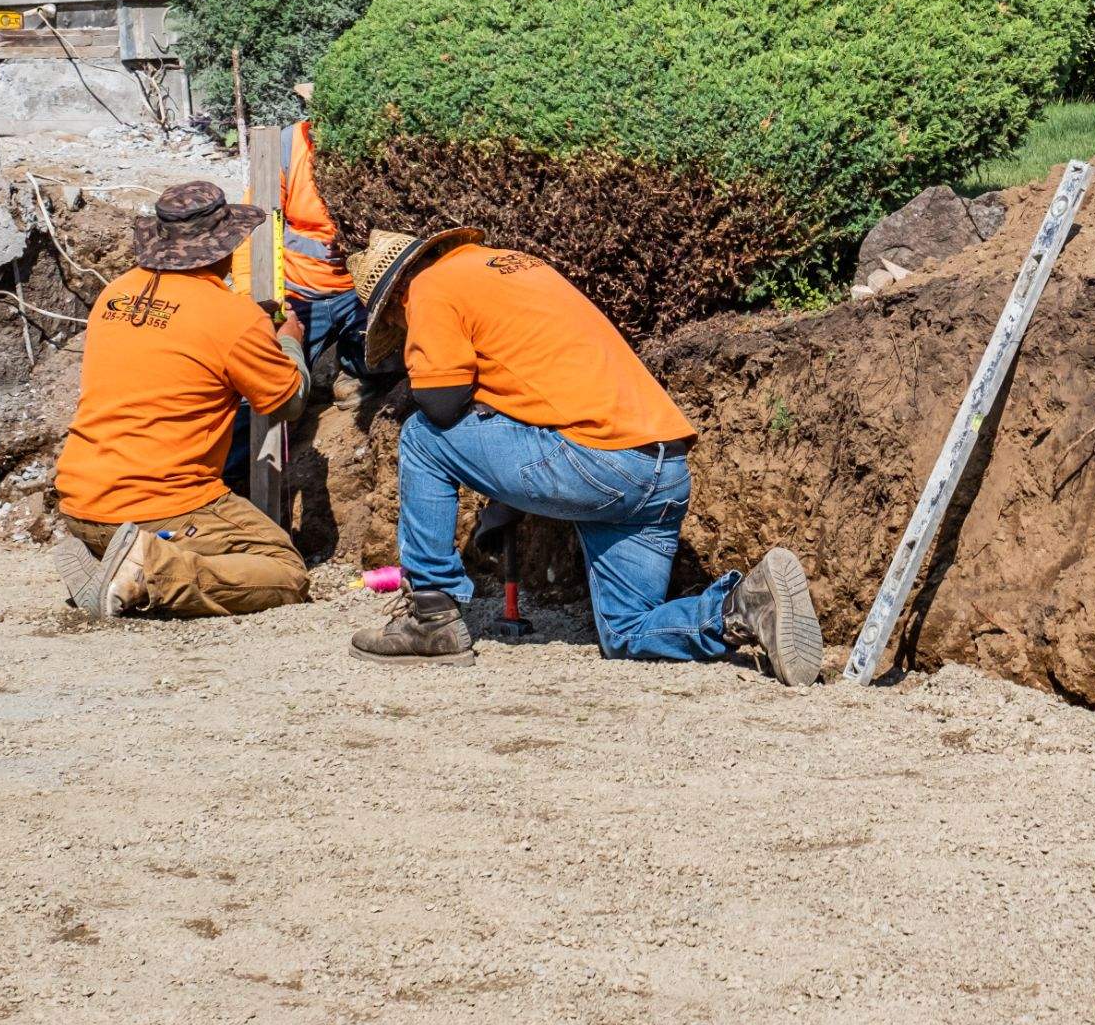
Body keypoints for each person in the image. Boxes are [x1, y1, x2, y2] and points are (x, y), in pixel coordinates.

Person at [344, 227, 822, 683]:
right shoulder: (509, 267)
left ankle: (430, 615)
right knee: (627, 631)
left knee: (422, 437)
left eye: (395, 323)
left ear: (396, 298)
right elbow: (541, 382)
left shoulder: (428, 286)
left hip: (599, 462)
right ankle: (742, 606)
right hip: (661, 469)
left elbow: (442, 405)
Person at [49, 180, 313, 620]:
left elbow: (177, 342)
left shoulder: (114, 294)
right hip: (158, 507)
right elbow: (287, 402)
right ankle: (149, 569)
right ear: (227, 247)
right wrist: (287, 344)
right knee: (285, 571)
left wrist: (247, 330)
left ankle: (110, 557)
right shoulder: (233, 317)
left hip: (81, 500)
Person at [279, 83, 363, 387]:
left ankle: (349, 370)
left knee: (378, 357)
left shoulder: (369, 149)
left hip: (357, 294)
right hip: (299, 294)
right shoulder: (291, 143)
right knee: (283, 379)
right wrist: (261, 301)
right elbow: (258, 227)